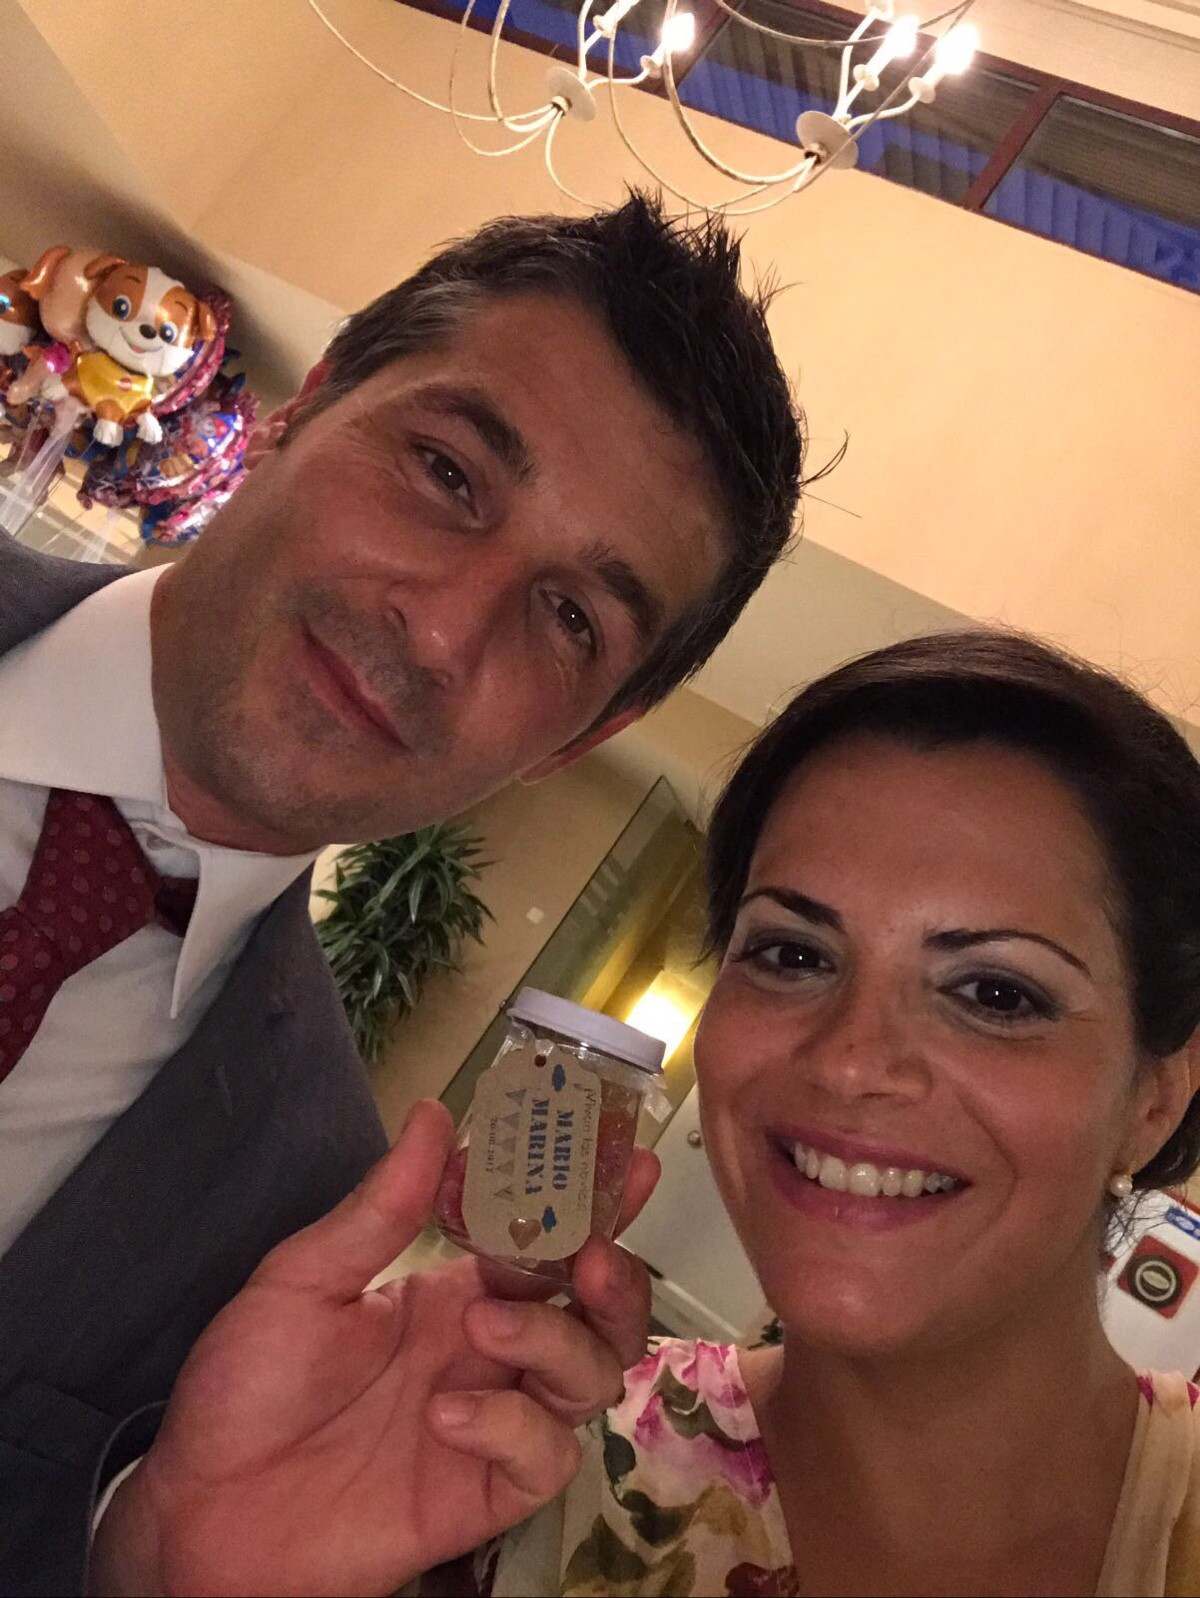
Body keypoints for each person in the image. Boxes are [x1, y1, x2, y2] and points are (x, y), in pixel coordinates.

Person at [0, 192, 805, 1595]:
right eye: (445, 471)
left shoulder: (296, 1201)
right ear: (307, 406)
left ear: (579, 739)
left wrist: (145, 1557)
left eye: (569, 617)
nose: (440, 627)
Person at [431, 630, 1200, 1597]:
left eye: (997, 994)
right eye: (793, 955)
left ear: (1154, 1099)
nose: (848, 1060)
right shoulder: (510, 1470)